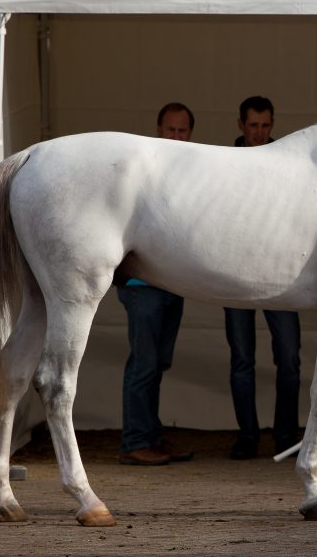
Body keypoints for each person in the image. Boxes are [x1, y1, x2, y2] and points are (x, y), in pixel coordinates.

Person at [115, 102, 197, 465]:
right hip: (141, 286)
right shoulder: (142, 172)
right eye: (171, 130)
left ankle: (150, 434)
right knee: (144, 364)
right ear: (158, 129)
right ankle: (135, 442)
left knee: (158, 363)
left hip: (171, 283)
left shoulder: (191, 173)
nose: (176, 137)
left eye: (183, 131)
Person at [224, 95, 303, 459]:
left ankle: (286, 434)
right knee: (242, 359)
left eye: (265, 126)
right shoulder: (222, 161)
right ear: (241, 124)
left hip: (279, 273)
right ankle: (248, 435)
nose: (259, 133)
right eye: (254, 125)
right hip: (235, 271)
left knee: (289, 357)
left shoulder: (287, 158)